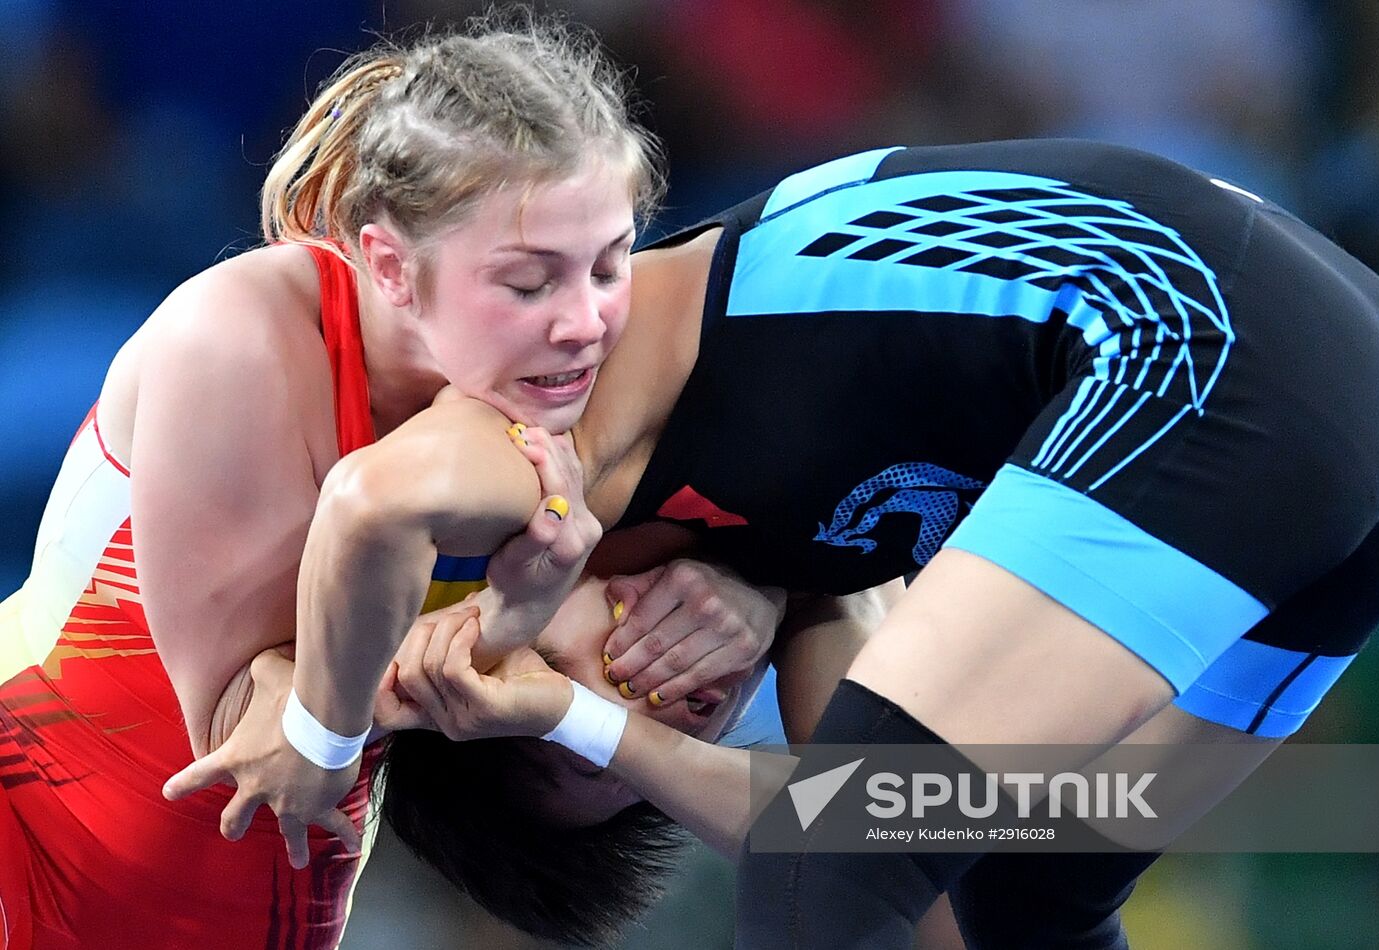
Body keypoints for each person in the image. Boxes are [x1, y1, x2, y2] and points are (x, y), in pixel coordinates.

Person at [180, 138, 1379, 947]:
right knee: (1027, 888)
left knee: (825, 894)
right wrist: (592, 710)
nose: (672, 690)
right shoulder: (814, 600)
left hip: (1195, 335)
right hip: (1344, 419)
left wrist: (324, 720)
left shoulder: (547, 437)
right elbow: (846, 819)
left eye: (595, 682)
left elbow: (364, 511)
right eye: (673, 726)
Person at [0, 17, 793, 949]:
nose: (681, 686)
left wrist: (751, 598)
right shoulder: (260, 341)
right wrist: (771, 576)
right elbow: (915, 820)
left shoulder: (589, 424)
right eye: (535, 279)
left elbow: (925, 825)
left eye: (581, 730)